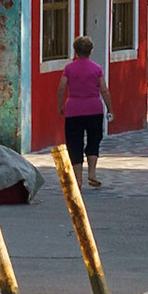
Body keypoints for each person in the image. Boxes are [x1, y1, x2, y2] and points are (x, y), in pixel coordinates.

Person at [58, 36, 111, 187]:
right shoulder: (97, 68)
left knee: (74, 143)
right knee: (94, 140)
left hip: (73, 109)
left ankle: (78, 179)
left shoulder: (69, 68)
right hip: (94, 108)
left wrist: (59, 105)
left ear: (75, 50)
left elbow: (62, 87)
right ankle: (92, 173)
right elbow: (104, 90)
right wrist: (110, 108)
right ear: (91, 51)